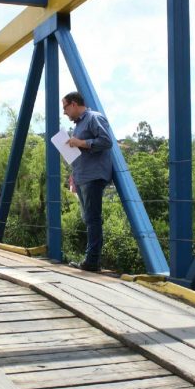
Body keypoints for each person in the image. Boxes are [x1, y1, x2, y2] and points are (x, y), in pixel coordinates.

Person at [62, 91, 113, 272]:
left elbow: (106, 141)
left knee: (92, 218)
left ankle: (92, 261)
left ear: (74, 104)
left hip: (94, 175)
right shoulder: (79, 125)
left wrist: (81, 143)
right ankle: (90, 259)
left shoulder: (93, 117)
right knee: (88, 218)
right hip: (83, 176)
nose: (64, 112)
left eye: (65, 107)